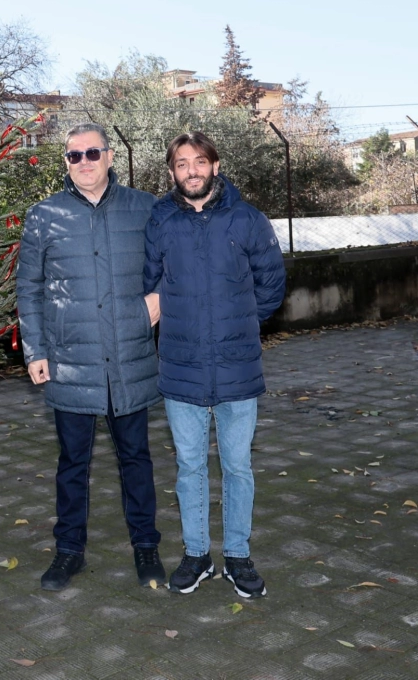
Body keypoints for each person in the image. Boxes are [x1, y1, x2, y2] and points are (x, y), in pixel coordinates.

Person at [16, 123, 166, 592]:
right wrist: (35, 349)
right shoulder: (44, 215)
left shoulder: (146, 208)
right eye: (73, 156)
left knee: (136, 459)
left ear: (110, 156)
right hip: (70, 361)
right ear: (65, 162)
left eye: (92, 153)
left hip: (130, 356)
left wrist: (160, 297)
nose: (83, 162)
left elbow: (177, 260)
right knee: (72, 463)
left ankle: (146, 547)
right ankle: (68, 552)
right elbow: (29, 287)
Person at [144, 132, 285, 598]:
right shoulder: (160, 221)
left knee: (238, 467)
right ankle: (197, 555)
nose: (191, 171)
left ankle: (239, 558)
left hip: (237, 369)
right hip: (180, 368)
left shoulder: (247, 219)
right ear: (171, 173)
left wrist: (241, 324)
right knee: (189, 468)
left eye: (199, 162)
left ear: (216, 166)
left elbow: (271, 285)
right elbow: (150, 285)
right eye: (181, 163)